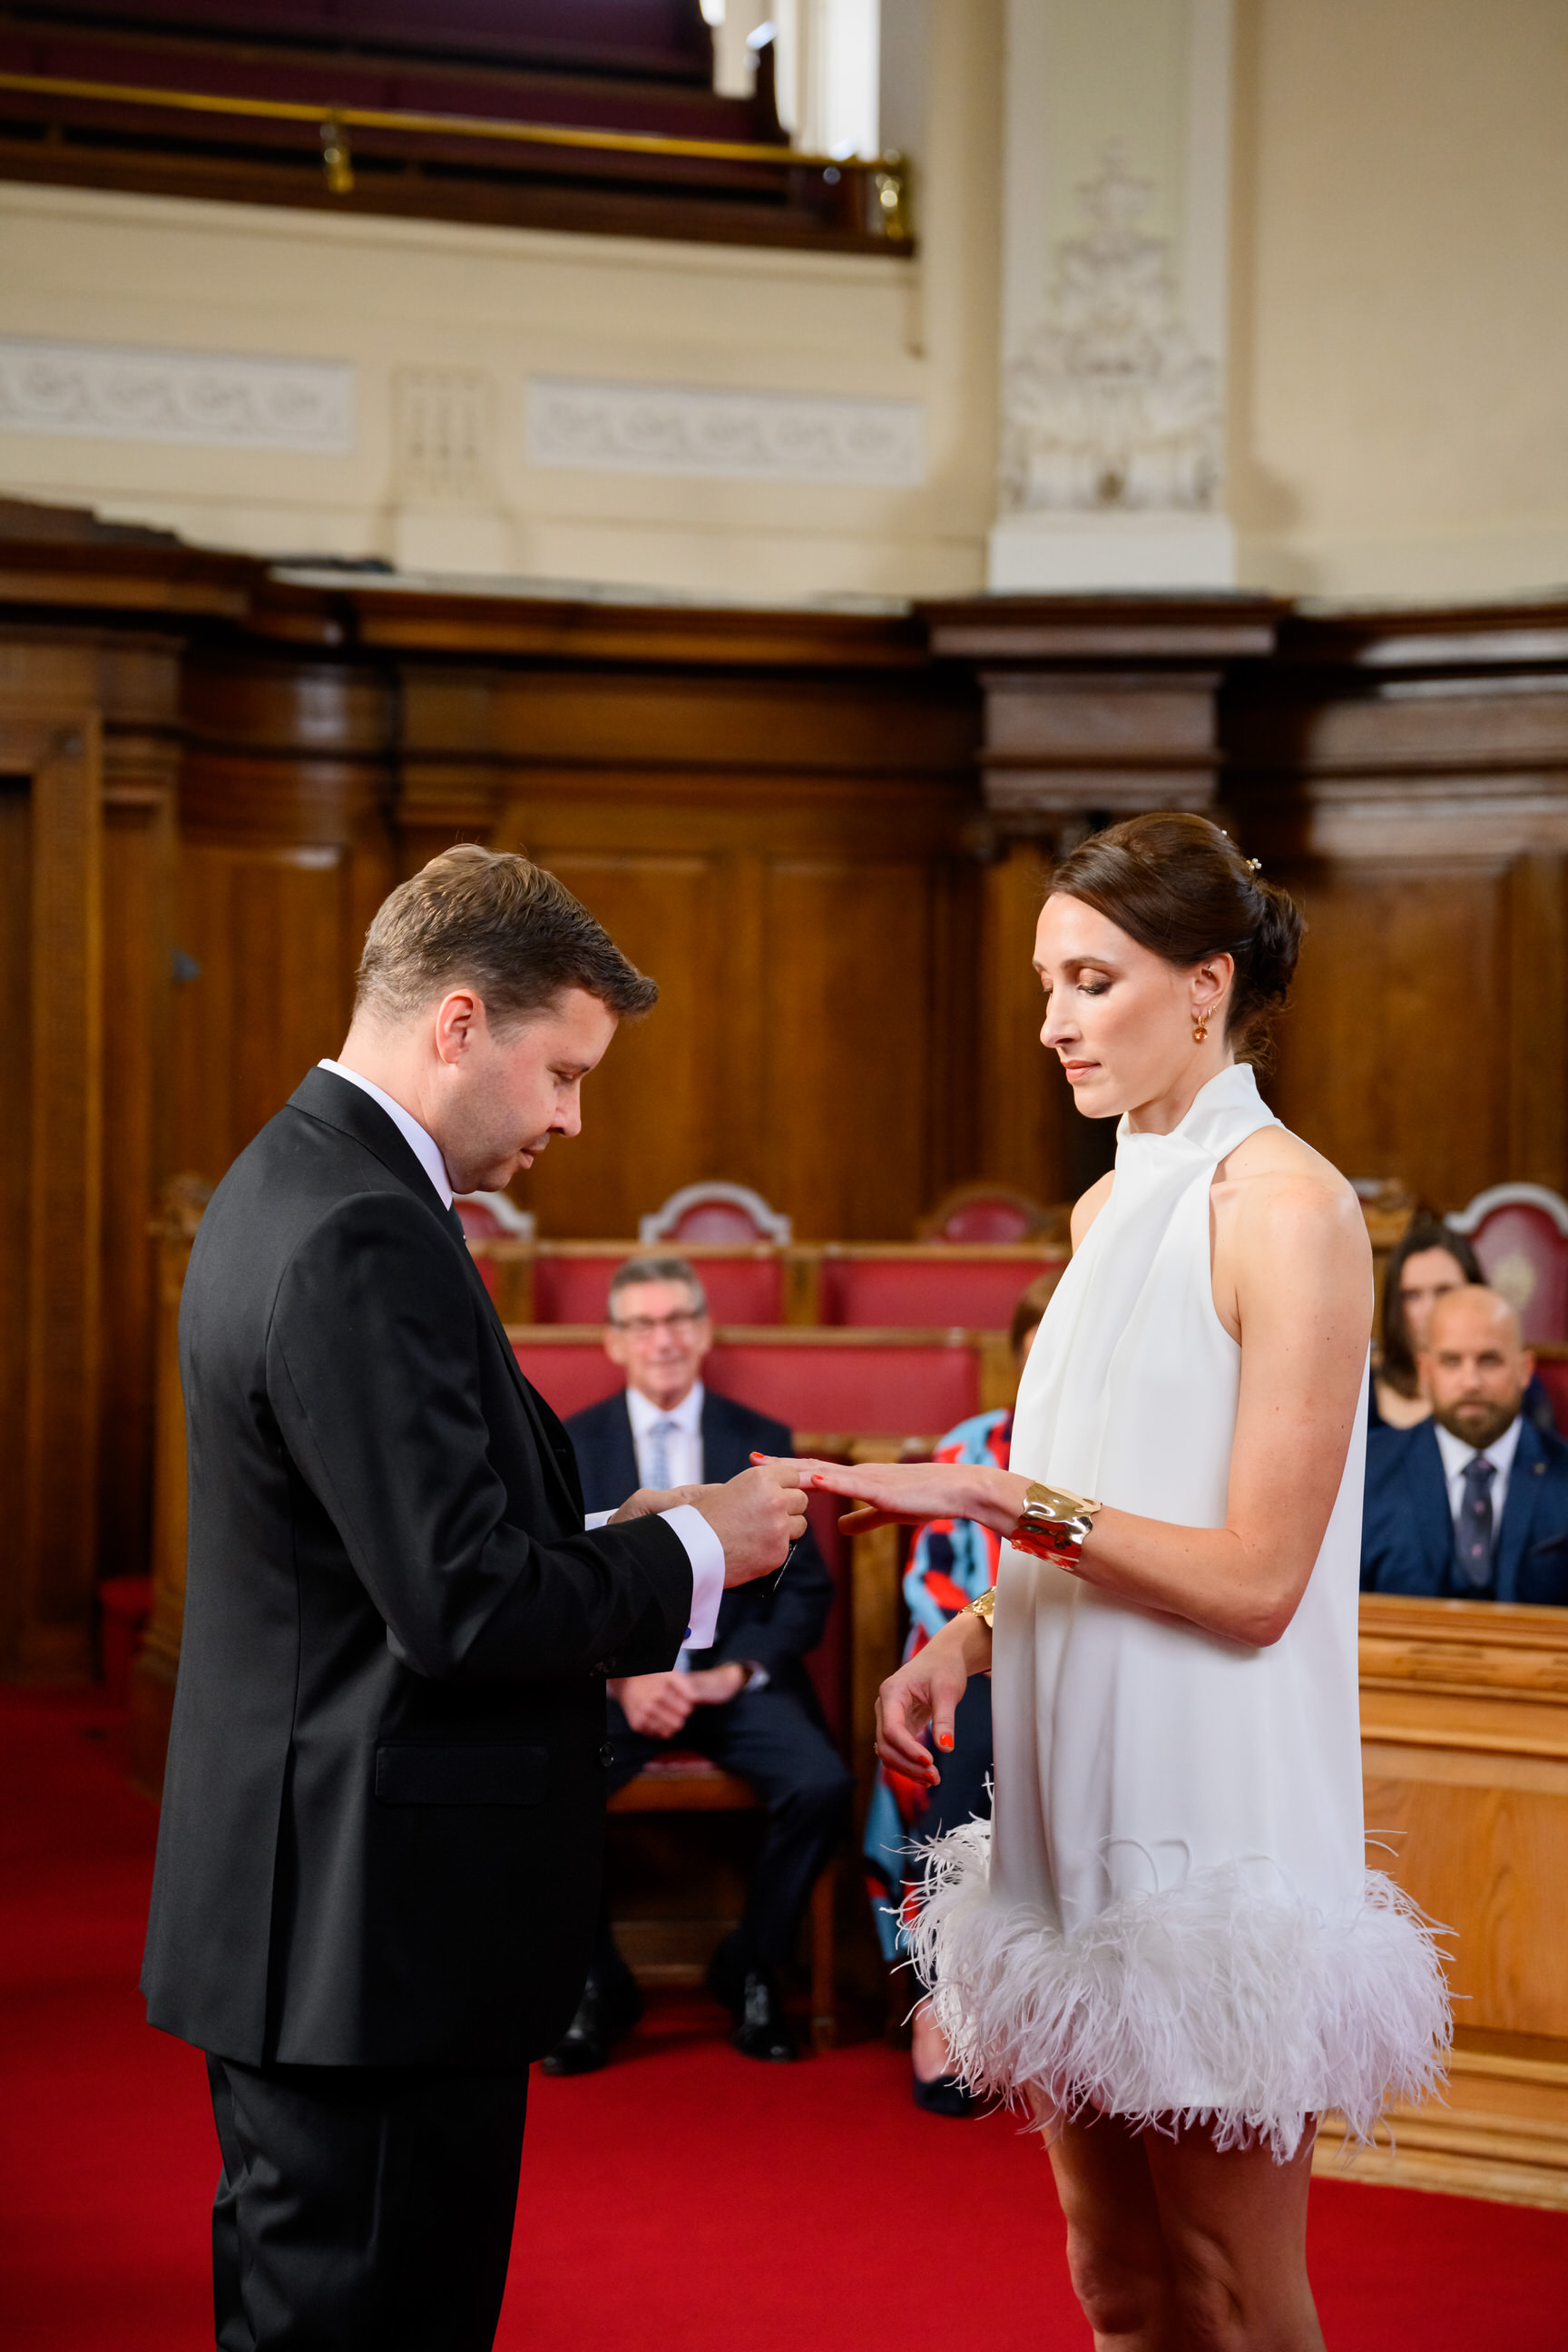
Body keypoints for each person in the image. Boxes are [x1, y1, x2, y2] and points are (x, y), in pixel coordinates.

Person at [764, 811, 1449, 2352]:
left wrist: (995, 1495)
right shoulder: (1099, 1208)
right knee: (1116, 2282)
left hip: (1212, 1812)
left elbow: (1257, 1576)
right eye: (1044, 982)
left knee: (1228, 2284)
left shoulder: (1289, 1205)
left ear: (1202, 984)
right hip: (1074, 1785)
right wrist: (971, 1626)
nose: (1051, 1021)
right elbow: (1125, 1507)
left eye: (1088, 980)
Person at [141, 846, 808, 2352]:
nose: (572, 1116)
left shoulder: (297, 1173)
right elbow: (456, 1607)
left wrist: (606, 1524)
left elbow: (379, 1537)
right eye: (562, 1070)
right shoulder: (366, 1226)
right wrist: (699, 1548)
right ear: (457, 1023)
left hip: (314, 1898)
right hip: (369, 1930)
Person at [553, 1255, 852, 2070]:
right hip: (616, 1686)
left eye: (680, 1318)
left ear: (706, 1331)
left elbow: (804, 1594)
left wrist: (732, 1673)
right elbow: (559, 1588)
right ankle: (593, 1984)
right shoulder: (569, 1445)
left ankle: (751, 1965)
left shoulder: (760, 1443)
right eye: (643, 1324)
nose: (664, 1339)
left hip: (733, 1680)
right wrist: (620, 1676)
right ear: (614, 1342)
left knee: (821, 1781)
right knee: (542, 1785)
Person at [862, 1272, 1058, 2116]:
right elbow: (933, 1588)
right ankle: (948, 2000)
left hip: (1090, 1664)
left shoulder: (1129, 1452)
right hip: (979, 1661)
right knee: (960, 1736)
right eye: (1039, 1349)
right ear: (1018, 1358)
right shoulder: (970, 1450)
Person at [1362, 1283, 1568, 1603]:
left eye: (1489, 1360)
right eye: (1451, 1361)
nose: (1471, 1382)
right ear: (1425, 1371)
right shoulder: (1366, 1473)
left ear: (1524, 1370)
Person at [1373, 1211, 1555, 1434]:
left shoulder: (1520, 1385)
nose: (1430, 1309)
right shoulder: (1364, 1387)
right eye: (1412, 1295)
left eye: (1444, 1291)